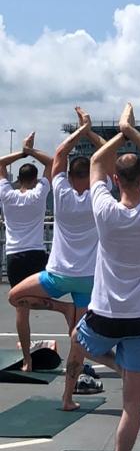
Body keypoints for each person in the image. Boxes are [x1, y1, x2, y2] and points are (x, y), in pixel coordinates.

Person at [62, 103, 140, 451]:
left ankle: (117, 365)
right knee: (132, 407)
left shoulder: (104, 210)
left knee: (77, 340)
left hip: (105, 313)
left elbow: (93, 161)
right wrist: (132, 129)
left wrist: (119, 134)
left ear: (116, 181)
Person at [9, 109, 106, 367]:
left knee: (15, 297)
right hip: (89, 278)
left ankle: (61, 310)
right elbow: (107, 154)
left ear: (70, 177)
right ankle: (80, 372)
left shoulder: (62, 194)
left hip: (58, 275)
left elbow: (60, 155)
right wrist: (90, 131)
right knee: (79, 333)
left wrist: (78, 132)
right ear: (93, 176)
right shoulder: (100, 195)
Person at [1, 133, 53, 371]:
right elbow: (51, 163)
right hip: (36, 254)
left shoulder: (7, 195)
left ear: (19, 179)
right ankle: (65, 309)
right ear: (34, 179)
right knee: (43, 300)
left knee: (21, 309)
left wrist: (22, 152)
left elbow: (0, 164)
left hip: (14, 256)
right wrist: (32, 151)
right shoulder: (39, 194)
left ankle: (27, 360)